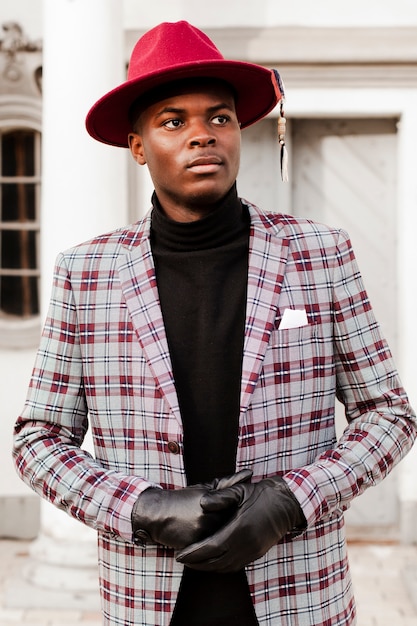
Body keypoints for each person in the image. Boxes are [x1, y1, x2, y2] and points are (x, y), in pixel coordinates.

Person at [12, 20, 416, 626]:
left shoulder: (320, 254)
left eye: (219, 117)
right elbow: (37, 442)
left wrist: (290, 500)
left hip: (299, 598)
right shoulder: (86, 274)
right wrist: (140, 507)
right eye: (173, 121)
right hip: (148, 603)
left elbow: (389, 416)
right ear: (138, 145)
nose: (202, 135)